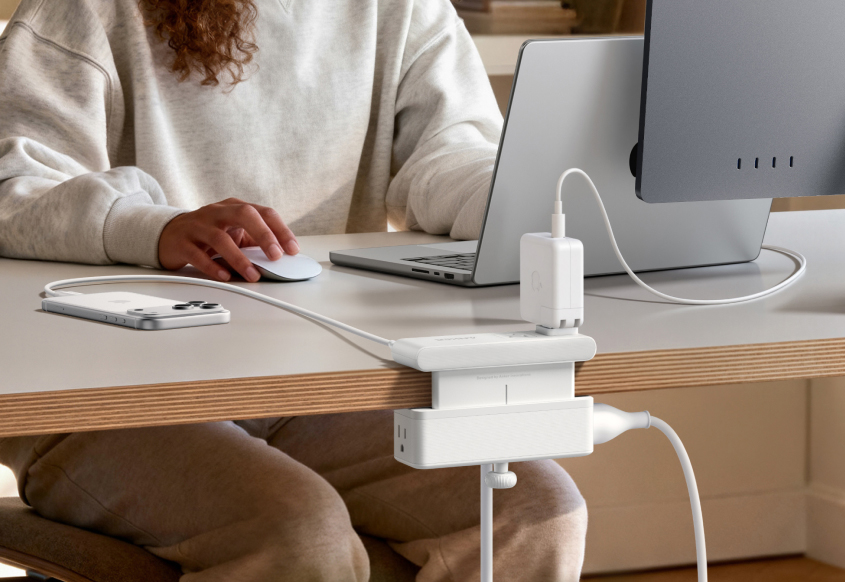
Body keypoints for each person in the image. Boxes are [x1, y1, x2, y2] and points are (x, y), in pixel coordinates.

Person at [0, 0, 588, 580]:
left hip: (309, 386)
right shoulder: (84, 10)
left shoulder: (402, 9)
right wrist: (153, 226)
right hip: (111, 400)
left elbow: (452, 154)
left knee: (533, 512)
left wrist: (526, 204)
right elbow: (13, 188)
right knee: (300, 536)